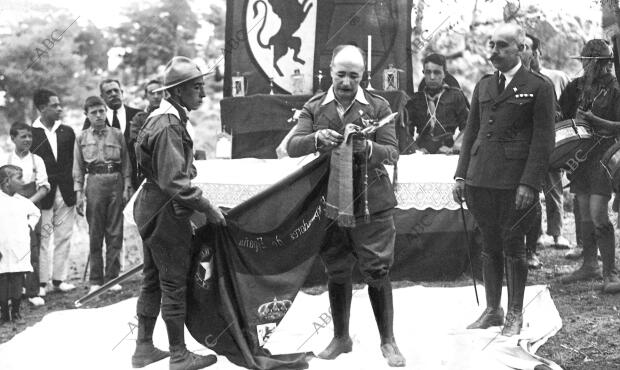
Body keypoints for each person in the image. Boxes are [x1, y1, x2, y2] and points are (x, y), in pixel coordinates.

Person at [287, 45, 406, 367]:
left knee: (377, 270)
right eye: (341, 74)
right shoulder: (314, 107)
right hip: (330, 203)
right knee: (336, 269)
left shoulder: (379, 106)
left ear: (362, 76)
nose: (346, 82)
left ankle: (389, 341)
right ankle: (341, 338)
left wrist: (368, 146)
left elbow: (393, 152)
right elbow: (292, 146)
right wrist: (316, 138)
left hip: (372, 202)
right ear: (330, 72)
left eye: (354, 76)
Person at [453, 23, 555, 336]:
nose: (493, 51)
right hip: (480, 178)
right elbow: (471, 133)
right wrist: (460, 174)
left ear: (520, 49)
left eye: (501, 45)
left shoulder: (538, 86)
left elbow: (543, 139)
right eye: (491, 45)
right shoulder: (483, 85)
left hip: (514, 182)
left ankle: (514, 313)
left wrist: (529, 183)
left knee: (514, 246)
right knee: (489, 244)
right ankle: (493, 309)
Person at [133, 56, 226, 370]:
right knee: (173, 281)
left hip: (149, 205)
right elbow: (175, 181)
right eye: (197, 88)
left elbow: (163, 167)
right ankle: (178, 354)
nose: (203, 94)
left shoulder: (159, 117)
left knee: (151, 280)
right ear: (177, 91)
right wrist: (207, 207)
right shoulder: (170, 125)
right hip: (164, 210)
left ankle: (143, 347)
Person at [557, 39, 620, 294]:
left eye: (593, 62)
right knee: (583, 212)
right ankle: (589, 264)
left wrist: (596, 120)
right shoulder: (576, 86)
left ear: (603, 63)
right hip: (579, 155)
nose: (588, 66)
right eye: (585, 61)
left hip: (604, 155)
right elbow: (560, 115)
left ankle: (610, 271)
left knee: (598, 213)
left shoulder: (616, 89)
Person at [73, 96, 132, 294]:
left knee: (115, 232)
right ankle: (96, 280)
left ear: (106, 112)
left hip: (115, 180)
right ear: (86, 115)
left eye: (101, 111)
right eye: (94, 112)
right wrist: (79, 194)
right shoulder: (81, 137)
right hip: (95, 182)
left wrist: (127, 186)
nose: (99, 115)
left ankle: (112, 278)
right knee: (95, 232)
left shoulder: (117, 134)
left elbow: (126, 162)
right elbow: (78, 168)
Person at [31, 88, 77, 295]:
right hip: (44, 194)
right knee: (43, 239)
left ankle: (59, 279)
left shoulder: (67, 131)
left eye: (60, 104)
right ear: (41, 108)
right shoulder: (31, 133)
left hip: (66, 191)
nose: (59, 108)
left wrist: (77, 189)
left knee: (64, 236)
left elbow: (75, 163)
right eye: (54, 105)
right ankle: (41, 283)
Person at [1, 122, 50, 306]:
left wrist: (26, 205)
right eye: (23, 136)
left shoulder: (37, 160)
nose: (28, 140)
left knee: (32, 249)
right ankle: (12, 292)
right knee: (9, 249)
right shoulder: (5, 159)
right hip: (8, 212)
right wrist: (12, 206)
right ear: (13, 138)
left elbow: (44, 187)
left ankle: (32, 291)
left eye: (30, 136)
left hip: (31, 208)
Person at [83, 79, 142, 190]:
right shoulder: (94, 119)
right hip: (107, 181)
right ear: (102, 96)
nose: (113, 94)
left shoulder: (137, 115)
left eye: (116, 90)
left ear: (122, 92)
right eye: (109, 92)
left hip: (136, 176)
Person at [0, 165, 41, 325]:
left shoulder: (22, 201)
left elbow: (35, 213)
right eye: (19, 178)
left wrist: (29, 225)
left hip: (19, 247)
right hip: (2, 248)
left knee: (17, 277)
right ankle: (4, 313)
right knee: (2, 278)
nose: (23, 181)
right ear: (6, 181)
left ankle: (16, 311)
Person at [409, 53, 469, 154]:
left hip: (447, 151)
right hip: (421, 152)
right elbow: (405, 130)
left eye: (437, 72)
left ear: (444, 74)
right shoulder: (415, 99)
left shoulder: (455, 96)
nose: (432, 77)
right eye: (428, 72)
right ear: (423, 73)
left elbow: (468, 126)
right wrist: (415, 149)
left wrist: (454, 148)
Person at [129, 80, 164, 187]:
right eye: (152, 93)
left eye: (159, 92)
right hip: (147, 171)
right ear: (146, 95)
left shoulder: (171, 115)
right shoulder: (139, 119)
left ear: (165, 94)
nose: (156, 96)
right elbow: (137, 143)